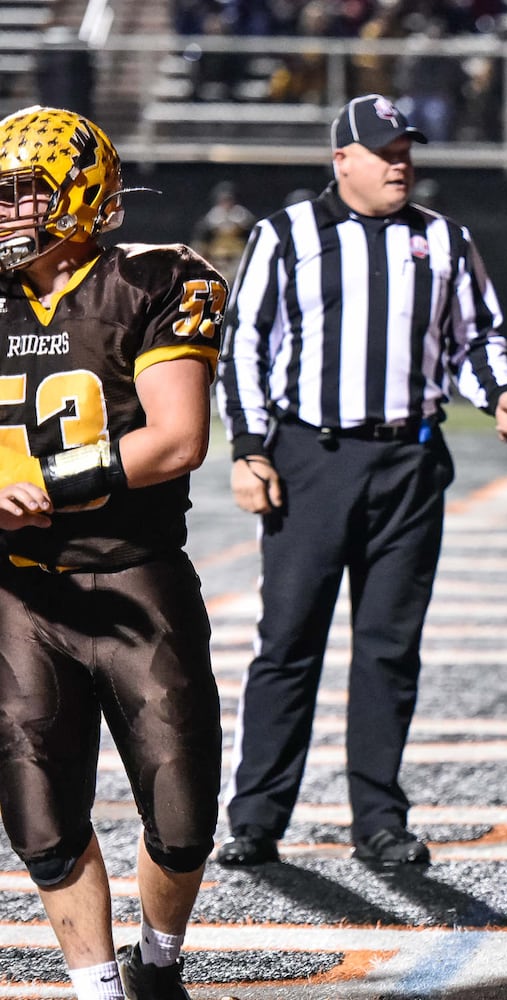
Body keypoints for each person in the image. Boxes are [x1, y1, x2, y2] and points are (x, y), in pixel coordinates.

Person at [214, 94, 507, 869]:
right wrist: (250, 449)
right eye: (384, 151)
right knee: (288, 640)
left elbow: (476, 338)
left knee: (390, 646)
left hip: (409, 461)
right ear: (343, 160)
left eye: (406, 150)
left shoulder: (445, 239)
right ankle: (256, 816)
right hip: (311, 458)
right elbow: (245, 347)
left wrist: (498, 392)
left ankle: (379, 821)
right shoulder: (284, 235)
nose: (400, 163)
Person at [0, 106, 226, 997]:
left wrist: (43, 487)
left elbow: (176, 439)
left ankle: (158, 962)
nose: (9, 212)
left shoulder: (157, 278)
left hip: (136, 576)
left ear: (82, 195)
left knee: (180, 815)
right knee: (41, 817)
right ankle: (95, 989)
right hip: (19, 590)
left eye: (24, 194)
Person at [190, 180, 256, 282]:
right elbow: (200, 244)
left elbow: (254, 242)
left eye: (229, 200)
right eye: (223, 200)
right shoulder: (210, 220)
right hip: (216, 260)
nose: (226, 204)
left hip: (237, 260)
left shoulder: (244, 218)